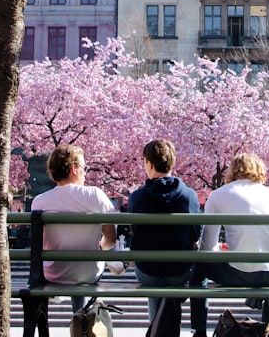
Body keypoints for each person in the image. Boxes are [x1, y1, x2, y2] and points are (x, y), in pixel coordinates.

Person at [193, 153, 269, 335]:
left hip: (243, 273)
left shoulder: (219, 194)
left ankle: (199, 330)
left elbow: (207, 247)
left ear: (232, 170)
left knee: (200, 265)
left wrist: (222, 252)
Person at [30, 144, 117, 313]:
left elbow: (39, 243)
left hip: (54, 273)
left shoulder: (40, 201)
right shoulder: (95, 195)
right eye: (84, 168)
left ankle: (79, 315)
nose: (85, 173)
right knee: (83, 270)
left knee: (73, 268)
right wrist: (99, 248)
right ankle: (83, 318)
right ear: (74, 169)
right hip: (89, 274)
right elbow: (111, 239)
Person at [127, 139, 203, 328]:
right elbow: (195, 233)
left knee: (154, 280)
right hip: (180, 270)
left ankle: (157, 327)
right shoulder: (189, 195)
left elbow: (135, 232)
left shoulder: (137, 197)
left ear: (149, 163)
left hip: (147, 270)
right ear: (172, 163)